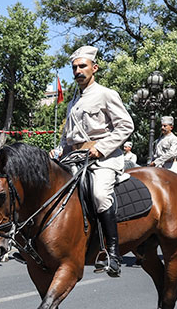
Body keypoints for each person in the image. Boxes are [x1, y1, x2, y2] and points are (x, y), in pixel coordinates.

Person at [52, 45, 135, 277]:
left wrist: (102, 148)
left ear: (94, 68)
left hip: (104, 158)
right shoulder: (72, 103)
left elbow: (126, 125)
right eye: (75, 67)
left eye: (82, 66)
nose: (78, 70)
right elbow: (67, 137)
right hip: (76, 158)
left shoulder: (106, 94)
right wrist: (58, 151)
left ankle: (113, 253)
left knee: (99, 194)